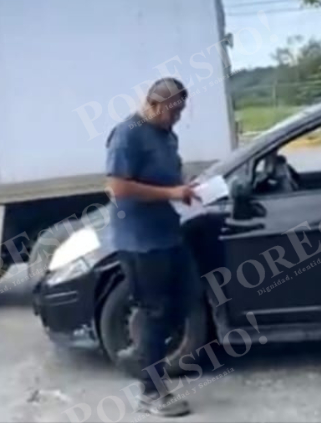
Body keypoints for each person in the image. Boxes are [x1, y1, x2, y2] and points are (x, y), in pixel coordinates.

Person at [104, 77, 196, 418]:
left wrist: (184, 187)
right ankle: (150, 392)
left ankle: (143, 354)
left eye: (182, 112)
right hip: (140, 243)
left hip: (168, 234)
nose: (178, 118)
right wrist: (171, 195)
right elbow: (117, 187)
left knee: (186, 298)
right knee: (155, 313)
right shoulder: (128, 133)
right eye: (174, 111)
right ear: (154, 105)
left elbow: (168, 176)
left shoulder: (166, 134)